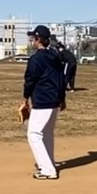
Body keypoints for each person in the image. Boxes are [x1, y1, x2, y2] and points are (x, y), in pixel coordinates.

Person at [21, 25, 67, 180]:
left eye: (33, 37)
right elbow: (62, 79)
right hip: (54, 100)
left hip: (42, 100)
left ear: (39, 39)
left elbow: (30, 80)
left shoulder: (36, 59)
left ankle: (47, 169)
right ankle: (48, 163)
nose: (32, 40)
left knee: (33, 134)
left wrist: (25, 97)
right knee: (46, 133)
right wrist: (62, 99)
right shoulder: (55, 56)